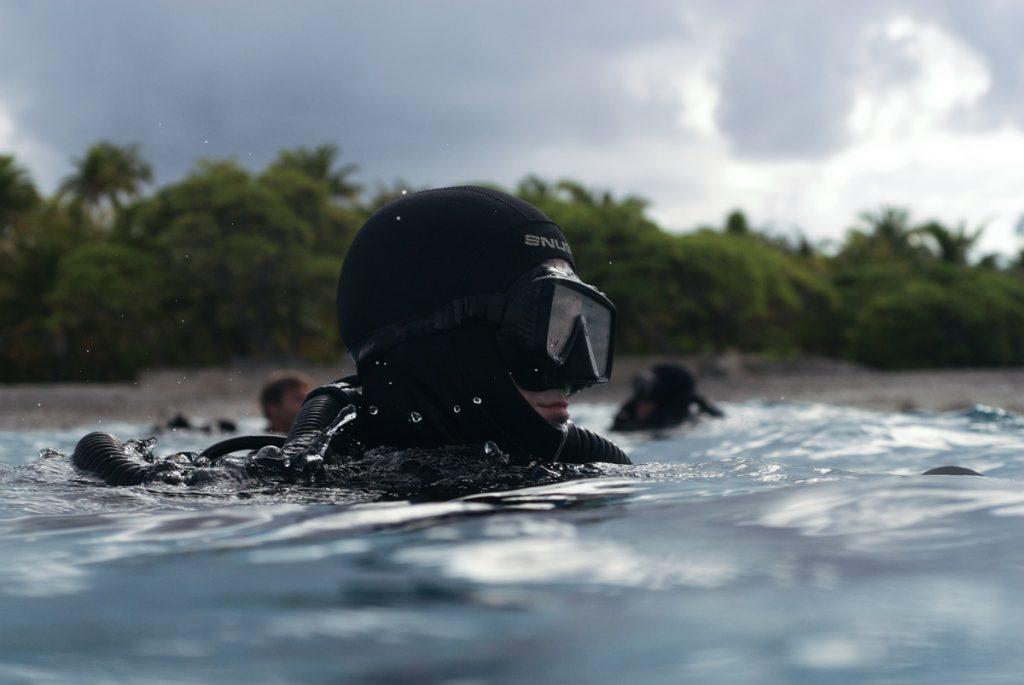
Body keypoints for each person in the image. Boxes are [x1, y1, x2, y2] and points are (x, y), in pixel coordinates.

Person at [72, 186, 629, 488]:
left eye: (582, 330)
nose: (572, 373)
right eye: (544, 329)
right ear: (441, 342)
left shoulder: (570, 470)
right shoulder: (291, 482)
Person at [611, 363, 722, 432]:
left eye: (646, 404)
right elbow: (618, 421)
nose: (642, 408)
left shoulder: (673, 400)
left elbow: (698, 401)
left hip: (682, 392)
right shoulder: (636, 400)